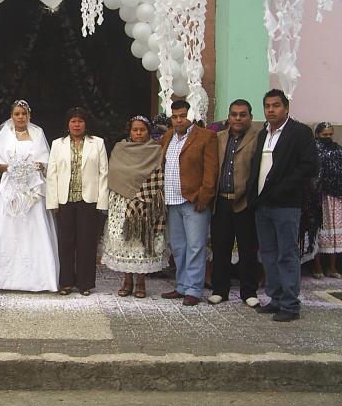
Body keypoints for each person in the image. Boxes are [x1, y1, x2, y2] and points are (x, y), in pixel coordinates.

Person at [247, 89, 318, 322]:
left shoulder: (300, 133)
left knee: (287, 254)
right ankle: (275, 298)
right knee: (268, 253)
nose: (271, 110)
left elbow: (308, 167)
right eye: (267, 106)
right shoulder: (262, 134)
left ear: (286, 108)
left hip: (286, 204)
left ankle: (290, 305)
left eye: (276, 105)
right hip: (262, 205)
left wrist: (281, 189)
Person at [0, 100, 59, 291]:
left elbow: (45, 162)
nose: (20, 117)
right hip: (10, 189)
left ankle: (40, 279)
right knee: (6, 229)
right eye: (16, 114)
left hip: (32, 189)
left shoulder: (38, 133)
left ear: (29, 115)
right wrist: (11, 168)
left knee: (34, 228)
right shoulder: (4, 134)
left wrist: (33, 167)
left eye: (23, 114)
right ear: (11, 116)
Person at [102, 115, 167, 298]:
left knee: (142, 240)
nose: (138, 133)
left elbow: (159, 175)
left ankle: (141, 282)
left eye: (142, 129)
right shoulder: (119, 148)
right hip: (122, 202)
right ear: (129, 131)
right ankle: (127, 280)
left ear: (148, 131)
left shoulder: (155, 150)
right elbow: (114, 173)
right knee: (125, 239)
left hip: (146, 200)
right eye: (135, 129)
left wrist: (142, 195)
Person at [160, 100, 218, 306]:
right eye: (175, 117)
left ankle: (194, 289)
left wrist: (205, 196)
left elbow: (211, 170)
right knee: (178, 247)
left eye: (182, 116)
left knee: (196, 246)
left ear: (190, 115)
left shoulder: (206, 136)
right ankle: (182, 286)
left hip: (194, 201)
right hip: (172, 200)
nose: (178, 120)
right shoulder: (168, 137)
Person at [46, 107, 108, 296]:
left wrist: (102, 203)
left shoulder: (97, 143)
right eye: (73, 121)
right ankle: (65, 282)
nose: (77, 124)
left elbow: (103, 173)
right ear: (68, 124)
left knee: (86, 243)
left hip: (89, 200)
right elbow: (52, 174)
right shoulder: (58, 144)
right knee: (65, 242)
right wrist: (53, 202)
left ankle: (85, 283)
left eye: (80, 121)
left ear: (86, 124)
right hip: (64, 200)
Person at [208, 99, 262, 307]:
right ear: (229, 117)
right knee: (220, 248)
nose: (238, 118)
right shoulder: (219, 138)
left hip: (244, 202)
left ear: (250, 116)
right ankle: (219, 290)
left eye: (242, 114)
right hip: (221, 201)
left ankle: (249, 291)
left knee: (248, 250)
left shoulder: (258, 138)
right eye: (234, 114)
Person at [312, 122, 342, 279]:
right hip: (319, 197)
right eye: (325, 135)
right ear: (317, 134)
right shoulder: (313, 149)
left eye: (330, 134)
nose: (328, 137)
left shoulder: (338, 150)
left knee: (335, 233)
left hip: (335, 197)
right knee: (318, 232)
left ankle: (332, 267)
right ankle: (317, 267)